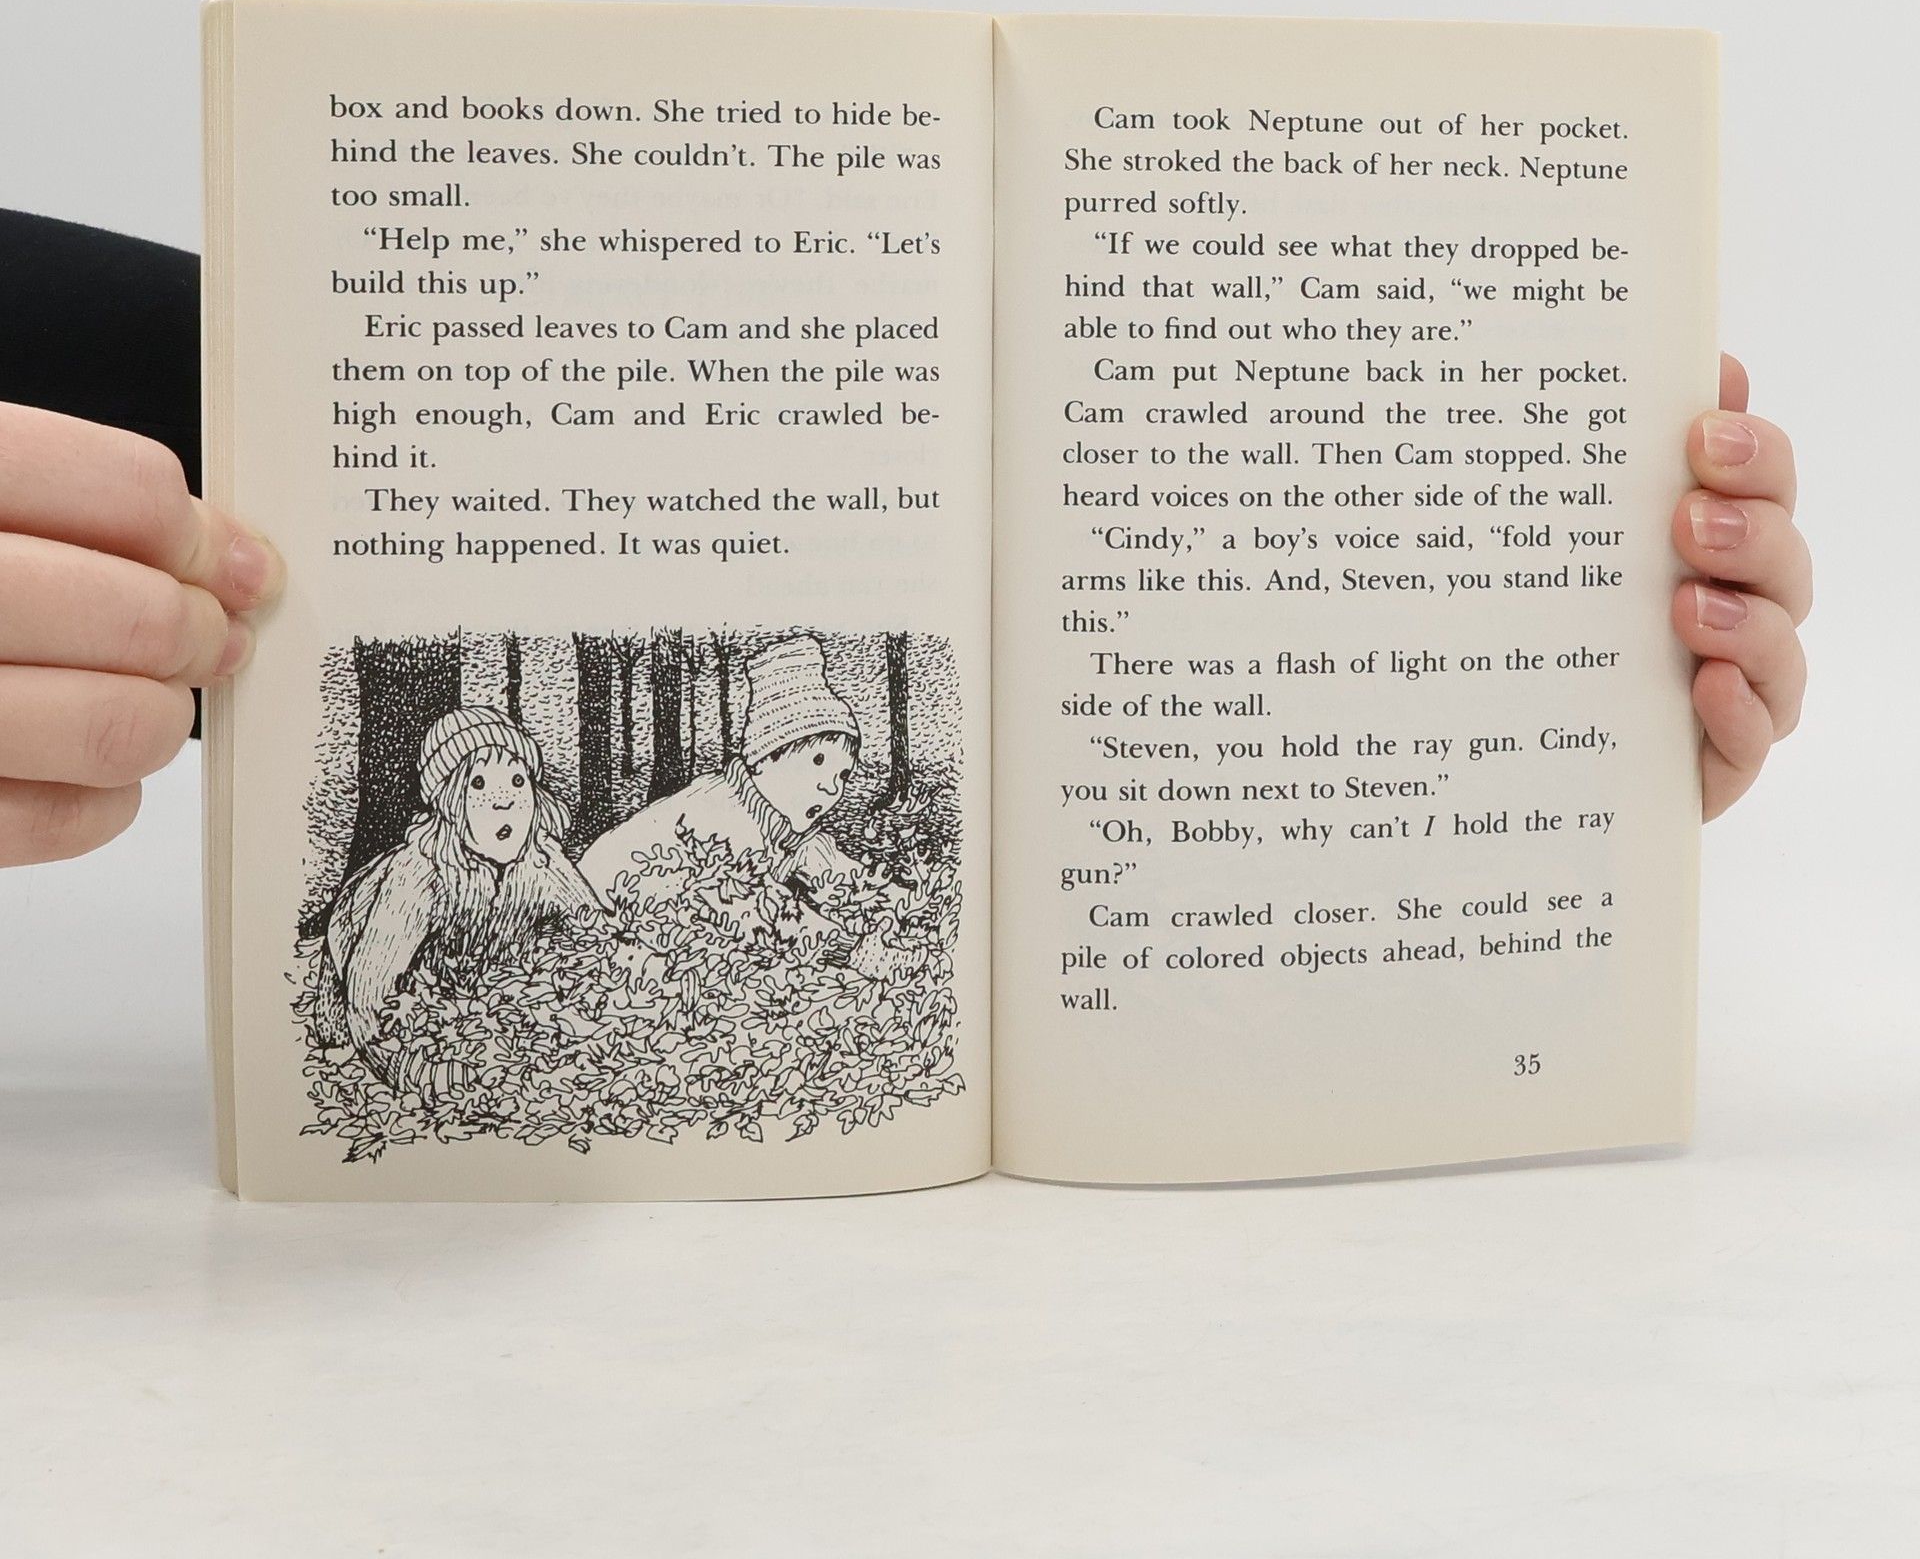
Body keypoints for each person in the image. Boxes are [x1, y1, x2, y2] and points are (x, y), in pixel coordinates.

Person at [0, 210, 1810, 872]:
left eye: (828, 760)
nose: (820, 779)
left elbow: (251, 454)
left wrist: (1449, 716)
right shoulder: (640, 833)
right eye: (808, 757)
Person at [311, 706, 606, 1090]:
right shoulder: (420, 873)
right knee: (337, 1042)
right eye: (479, 783)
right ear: (448, 802)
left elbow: (596, 930)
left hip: (473, 975)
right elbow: (370, 993)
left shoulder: (544, 862)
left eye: (518, 780)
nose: (504, 800)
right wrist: (414, 1071)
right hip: (358, 933)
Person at [578, 634, 900, 918]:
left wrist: (899, 899)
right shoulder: (722, 814)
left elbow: (844, 874)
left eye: (843, 775)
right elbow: (763, 915)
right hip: (596, 916)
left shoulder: (786, 830)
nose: (831, 787)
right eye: (817, 761)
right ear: (765, 758)